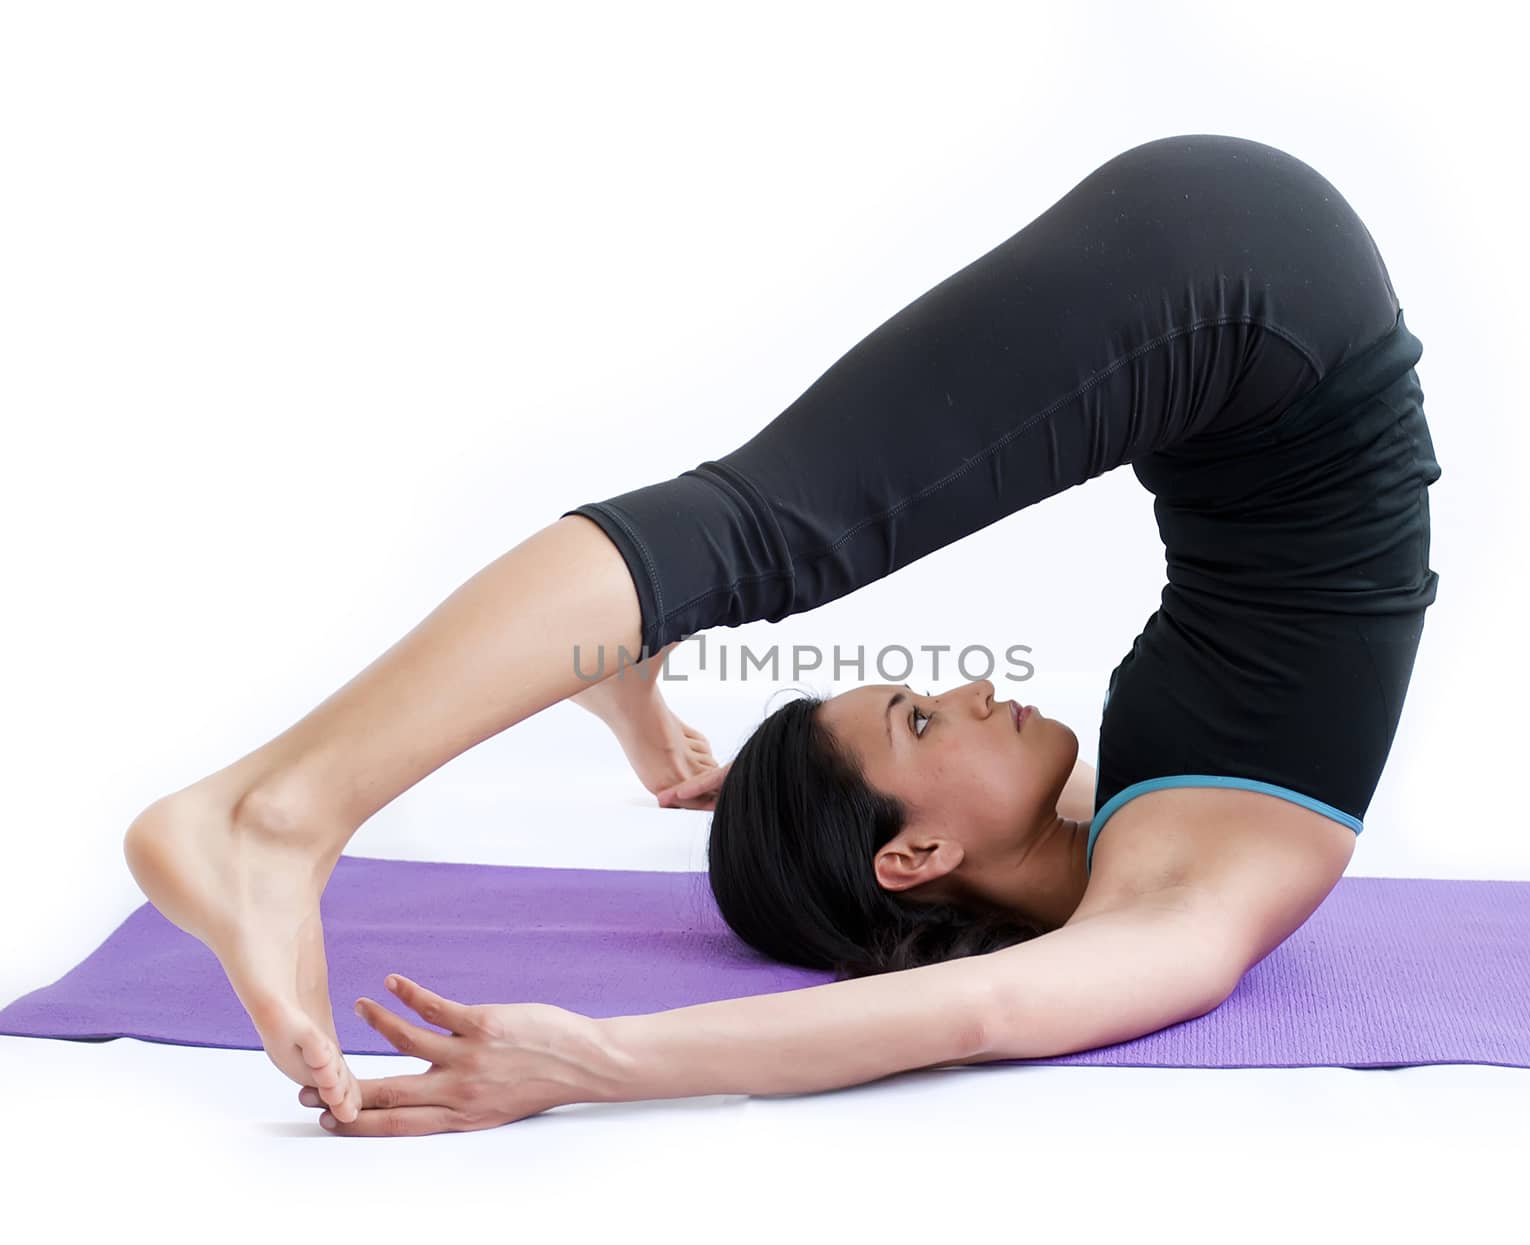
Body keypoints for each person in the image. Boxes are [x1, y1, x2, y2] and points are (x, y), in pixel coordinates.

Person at [122, 133, 1441, 1127]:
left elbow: (923, 946)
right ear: (924, 850)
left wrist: (696, 775)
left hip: (1250, 304)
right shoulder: (1170, 911)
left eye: (920, 701)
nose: (975, 684)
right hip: (1252, 302)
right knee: (768, 533)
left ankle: (285, 807)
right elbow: (970, 1009)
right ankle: (271, 814)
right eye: (920, 718)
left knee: (768, 534)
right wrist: (594, 1061)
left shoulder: (1106, 848)